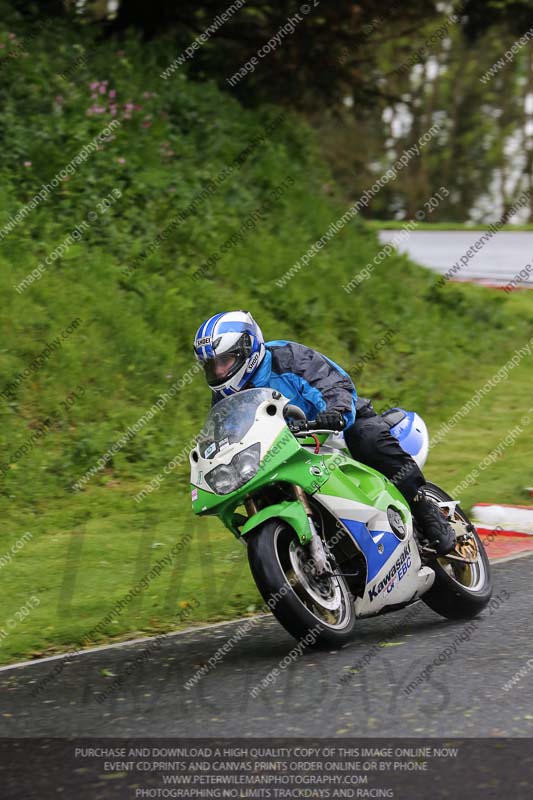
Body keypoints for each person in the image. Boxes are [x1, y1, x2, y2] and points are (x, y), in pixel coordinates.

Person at [193, 310, 455, 555]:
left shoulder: (287, 357)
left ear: (247, 349)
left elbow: (331, 382)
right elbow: (228, 435)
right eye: (211, 366)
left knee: (367, 440)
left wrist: (335, 411)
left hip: (334, 425)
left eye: (224, 361)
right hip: (286, 449)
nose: (218, 372)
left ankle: (424, 508)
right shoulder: (223, 397)